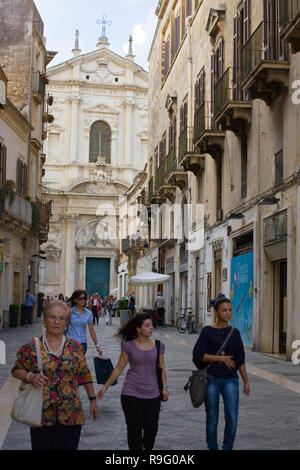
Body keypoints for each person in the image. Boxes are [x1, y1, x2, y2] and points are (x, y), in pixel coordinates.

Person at [11, 300, 98, 450]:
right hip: (42, 415)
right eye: (52, 317)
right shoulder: (32, 346)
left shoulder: (75, 347)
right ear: (44, 320)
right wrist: (30, 377)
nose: (57, 322)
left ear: (66, 323)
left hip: (71, 414)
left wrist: (92, 399)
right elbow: (16, 369)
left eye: (61, 318)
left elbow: (84, 374)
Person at [97, 313, 168, 450]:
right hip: (131, 394)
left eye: (151, 325)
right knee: (134, 431)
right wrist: (105, 387)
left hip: (153, 394)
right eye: (147, 326)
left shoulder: (159, 345)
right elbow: (118, 368)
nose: (151, 328)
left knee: (151, 431)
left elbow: (162, 368)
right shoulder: (128, 346)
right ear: (138, 329)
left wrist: (164, 388)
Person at [192, 297, 250, 451]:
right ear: (216, 312)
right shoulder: (207, 331)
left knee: (232, 418)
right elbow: (198, 355)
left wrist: (246, 381)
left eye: (230, 310)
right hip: (211, 380)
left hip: (231, 380)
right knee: (212, 419)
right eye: (224, 310)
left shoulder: (235, 333)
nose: (228, 313)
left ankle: (227, 447)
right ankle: (212, 448)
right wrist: (221, 358)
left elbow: (240, 360)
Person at [66, 290, 103, 356]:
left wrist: (97, 346)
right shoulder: (69, 311)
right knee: (71, 365)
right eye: (80, 298)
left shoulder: (88, 313)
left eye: (84, 298)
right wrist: (68, 315)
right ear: (75, 300)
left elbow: (92, 331)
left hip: (82, 344)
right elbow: (63, 326)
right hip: (70, 343)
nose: (83, 300)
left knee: (80, 365)